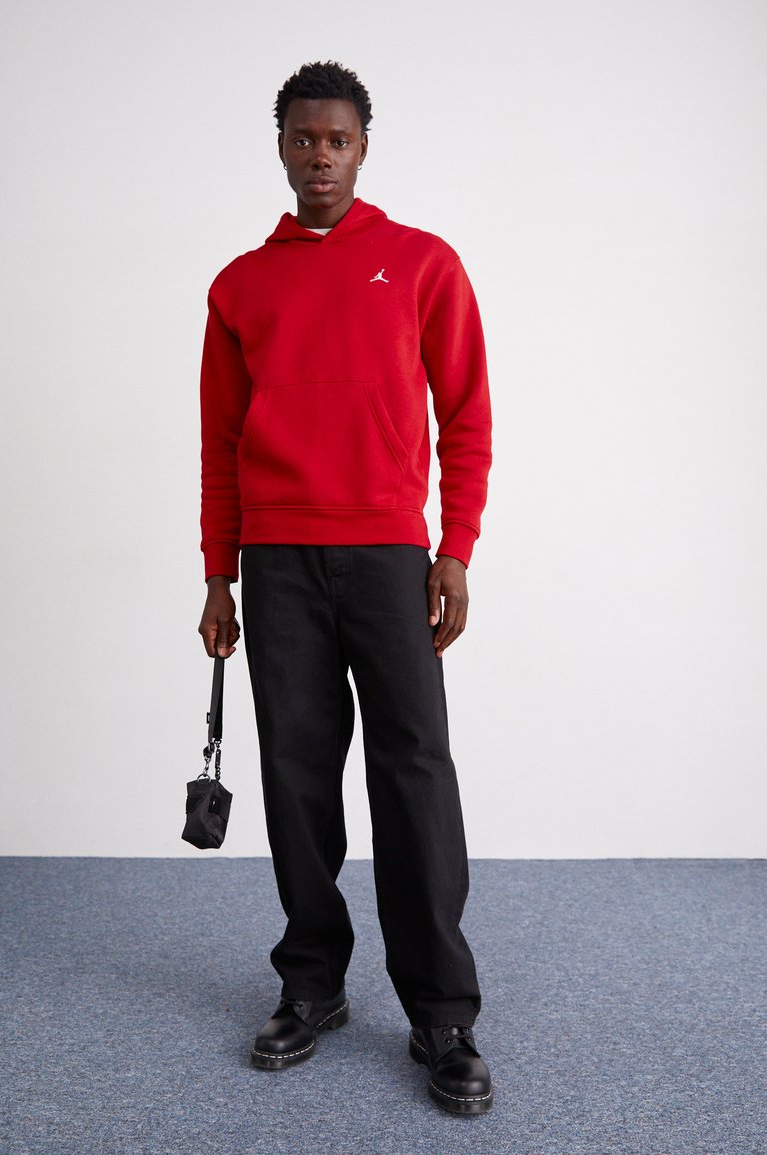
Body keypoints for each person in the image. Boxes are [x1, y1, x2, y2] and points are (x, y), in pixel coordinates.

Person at [197, 60, 493, 1115]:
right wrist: (219, 572)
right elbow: (220, 443)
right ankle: (311, 984)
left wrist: (453, 549)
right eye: (302, 138)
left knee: (414, 773)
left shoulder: (420, 264)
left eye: (337, 140)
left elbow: (465, 414)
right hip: (278, 562)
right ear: (280, 147)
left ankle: (441, 1012)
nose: (318, 156)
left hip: (386, 558)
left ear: (363, 149)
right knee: (296, 776)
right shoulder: (240, 285)